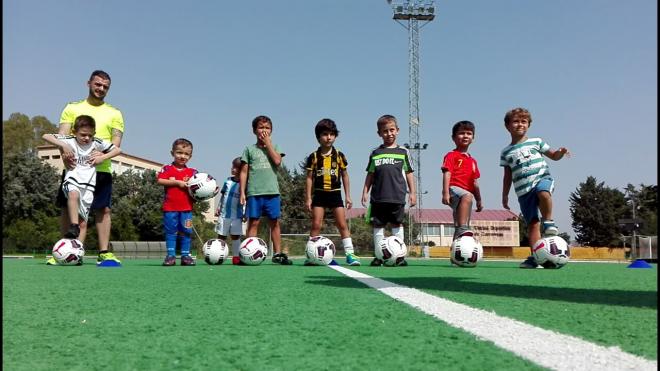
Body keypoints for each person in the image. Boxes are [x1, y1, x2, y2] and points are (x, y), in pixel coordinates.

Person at [47, 70, 125, 266]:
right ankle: (64, 250)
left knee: (103, 210)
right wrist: (64, 151)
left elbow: (116, 142)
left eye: (105, 87)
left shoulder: (115, 113)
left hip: (101, 169)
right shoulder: (72, 108)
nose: (101, 89)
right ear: (88, 83)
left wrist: (103, 156)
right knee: (68, 207)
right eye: (98, 84)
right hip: (74, 168)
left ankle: (104, 252)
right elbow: (62, 135)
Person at [500, 107, 570, 269]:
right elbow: (507, 175)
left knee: (543, 193)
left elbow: (553, 156)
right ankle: (535, 256)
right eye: (516, 121)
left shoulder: (536, 142)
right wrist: (505, 195)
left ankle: (549, 222)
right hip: (523, 191)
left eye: (523, 122)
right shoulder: (506, 152)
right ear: (508, 126)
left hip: (541, 178)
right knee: (532, 224)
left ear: (529, 125)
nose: (520, 125)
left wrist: (560, 152)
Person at [42, 115, 122, 248]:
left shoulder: (96, 143)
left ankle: (76, 251)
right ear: (74, 132)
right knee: (73, 194)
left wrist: (103, 157)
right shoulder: (70, 140)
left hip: (88, 185)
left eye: (90, 135)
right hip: (72, 178)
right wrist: (63, 145)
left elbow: (118, 149)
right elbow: (46, 136)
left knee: (83, 223)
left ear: (94, 134)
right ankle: (73, 226)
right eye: (83, 135)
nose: (86, 138)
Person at [361, 114, 416, 266]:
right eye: (385, 131)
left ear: (397, 130)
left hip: (397, 197)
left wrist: (412, 193)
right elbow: (370, 174)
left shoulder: (403, 152)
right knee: (378, 226)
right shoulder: (375, 153)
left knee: (397, 225)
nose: (389, 133)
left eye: (392, 130)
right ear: (379, 133)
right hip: (378, 198)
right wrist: (365, 192)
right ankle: (379, 256)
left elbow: (410, 173)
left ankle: (399, 256)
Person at [304, 118, 360, 266]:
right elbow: (309, 178)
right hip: (319, 194)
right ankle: (311, 255)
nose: (328, 137)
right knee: (316, 224)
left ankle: (350, 254)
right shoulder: (314, 157)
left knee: (342, 224)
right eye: (324, 134)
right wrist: (308, 197)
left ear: (335, 136)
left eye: (331, 134)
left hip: (335, 193)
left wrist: (348, 196)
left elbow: (345, 176)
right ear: (318, 137)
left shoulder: (340, 155)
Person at [239, 115, 292, 265]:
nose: (264, 130)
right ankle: (248, 253)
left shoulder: (275, 147)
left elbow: (277, 161)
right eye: (261, 127)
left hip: (272, 192)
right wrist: (242, 192)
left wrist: (268, 143)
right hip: (254, 192)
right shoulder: (249, 150)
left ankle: (277, 254)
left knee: (274, 222)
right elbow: (244, 172)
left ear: (272, 131)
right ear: (254, 130)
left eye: (267, 128)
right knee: (253, 222)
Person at [157, 138, 198, 266]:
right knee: (171, 231)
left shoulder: (193, 173)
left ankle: (186, 256)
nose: (182, 156)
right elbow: (160, 180)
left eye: (186, 154)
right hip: (170, 208)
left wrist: (211, 188)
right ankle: (171, 256)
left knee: (186, 231)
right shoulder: (167, 169)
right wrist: (176, 182)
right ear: (172, 153)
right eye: (179, 152)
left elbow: (200, 185)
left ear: (190, 156)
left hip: (186, 209)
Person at [441, 120, 483, 243]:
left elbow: (475, 182)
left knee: (461, 225)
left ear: (473, 138)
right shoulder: (451, 155)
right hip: (454, 189)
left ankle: (456, 252)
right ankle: (462, 229)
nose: (465, 136)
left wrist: (479, 200)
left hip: (466, 198)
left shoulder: (473, 161)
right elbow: (446, 172)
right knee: (467, 196)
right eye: (461, 133)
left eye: (469, 133)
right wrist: (445, 192)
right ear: (453, 138)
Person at [215, 157, 245, 265]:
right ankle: (218, 255)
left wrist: (245, 213)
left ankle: (236, 257)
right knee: (221, 235)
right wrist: (218, 207)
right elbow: (223, 196)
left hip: (237, 215)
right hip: (224, 214)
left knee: (235, 236)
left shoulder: (244, 184)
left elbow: (245, 199)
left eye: (236, 168)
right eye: (233, 167)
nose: (233, 169)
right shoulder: (227, 181)